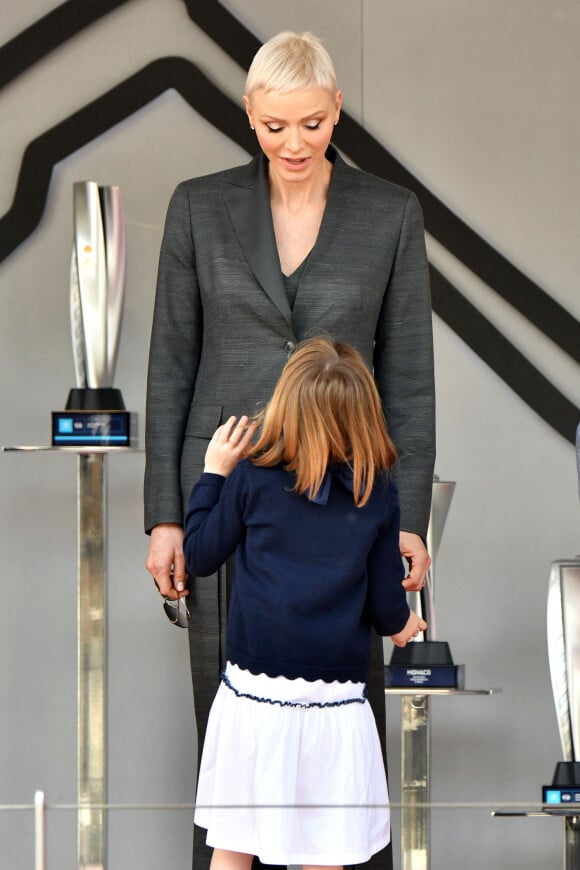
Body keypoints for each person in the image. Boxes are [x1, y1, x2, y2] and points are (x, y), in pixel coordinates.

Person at [144, 30, 435, 870]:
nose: (294, 144)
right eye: (274, 127)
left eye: (311, 123)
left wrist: (408, 521)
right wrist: (167, 516)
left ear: (336, 108)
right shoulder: (197, 207)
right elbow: (170, 366)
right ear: (248, 115)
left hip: (351, 503)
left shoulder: (391, 213)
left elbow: (408, 381)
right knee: (230, 734)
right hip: (229, 486)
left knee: (340, 733)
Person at [183, 338, 427, 870]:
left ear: (288, 402)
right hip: (333, 708)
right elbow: (387, 605)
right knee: (325, 853)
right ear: (365, 413)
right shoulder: (376, 493)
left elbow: (199, 555)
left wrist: (213, 473)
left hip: (253, 699)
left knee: (233, 846)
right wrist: (406, 625)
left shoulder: (252, 477)